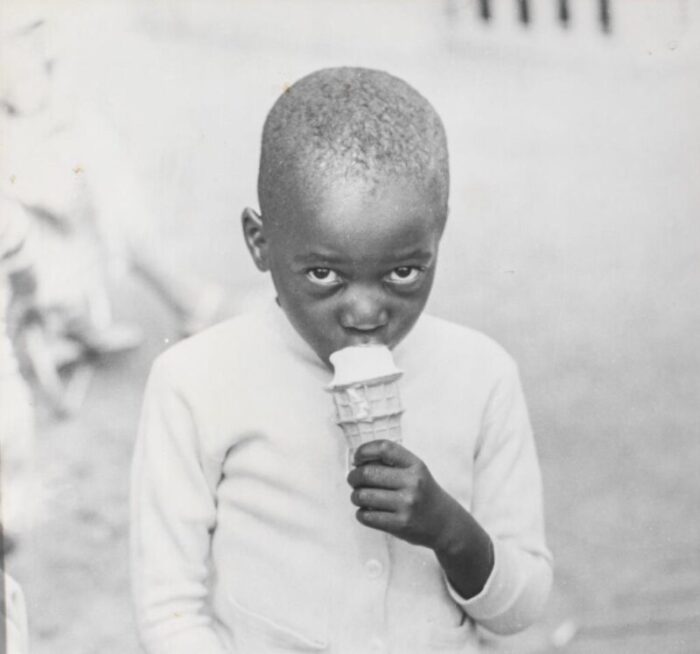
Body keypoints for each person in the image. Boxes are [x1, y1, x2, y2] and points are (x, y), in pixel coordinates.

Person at [130, 67, 552, 654]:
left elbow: (523, 608)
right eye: (324, 274)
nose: (364, 312)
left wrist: (451, 531)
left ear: (439, 233)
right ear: (260, 241)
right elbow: (169, 610)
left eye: (403, 272)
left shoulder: (483, 377)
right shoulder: (195, 382)